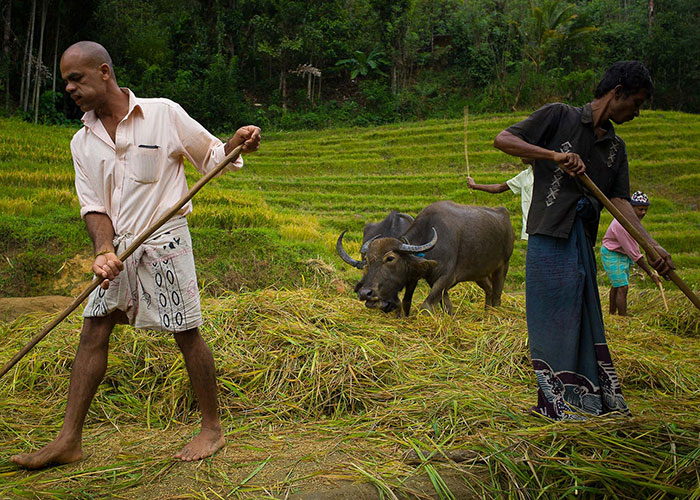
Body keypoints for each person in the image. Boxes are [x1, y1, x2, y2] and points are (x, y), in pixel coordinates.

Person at [10, 41, 261, 469]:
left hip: (166, 241)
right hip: (119, 247)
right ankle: (69, 441)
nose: (69, 88)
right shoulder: (81, 141)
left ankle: (212, 429)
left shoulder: (163, 114)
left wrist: (237, 143)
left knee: (185, 331)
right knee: (93, 330)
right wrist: (104, 251)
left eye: (76, 78)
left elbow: (213, 158)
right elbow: (93, 206)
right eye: (65, 80)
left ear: (104, 72)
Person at [493, 60, 674, 420]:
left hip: (582, 241)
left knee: (582, 315)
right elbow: (505, 140)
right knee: (552, 318)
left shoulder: (615, 149)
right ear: (617, 93)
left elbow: (619, 201)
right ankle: (555, 401)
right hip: (549, 235)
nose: (636, 113)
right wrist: (554, 156)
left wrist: (652, 246)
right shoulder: (559, 117)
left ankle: (588, 399)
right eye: (635, 103)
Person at [601, 191, 661, 316]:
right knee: (623, 287)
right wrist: (650, 273)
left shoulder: (633, 222)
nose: (643, 213)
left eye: (645, 209)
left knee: (617, 284)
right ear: (631, 208)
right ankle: (623, 318)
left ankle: (612, 314)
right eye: (640, 209)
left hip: (622, 254)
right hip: (611, 253)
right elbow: (634, 254)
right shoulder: (622, 224)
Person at [467, 158, 534, 240]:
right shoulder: (524, 176)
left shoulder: (549, 174)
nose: (521, 155)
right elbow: (499, 188)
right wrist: (475, 186)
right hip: (532, 229)